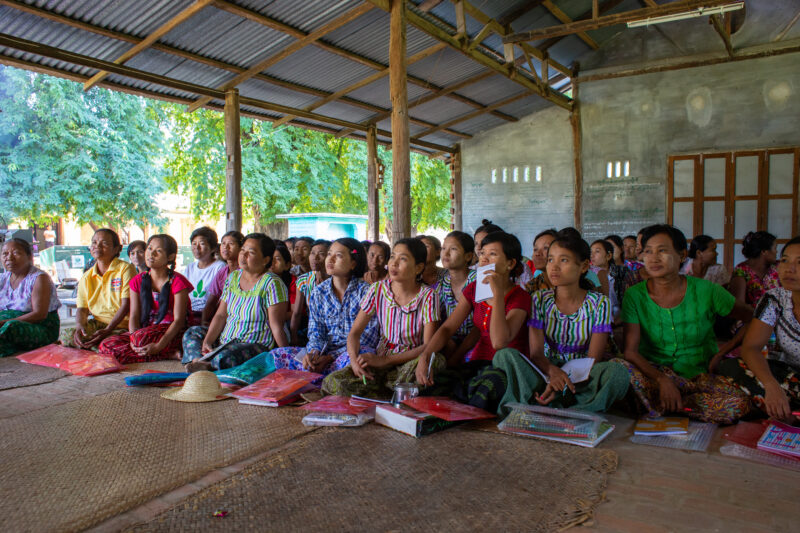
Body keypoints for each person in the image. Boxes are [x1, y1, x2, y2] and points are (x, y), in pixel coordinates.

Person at [618, 224, 752, 424]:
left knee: (739, 403)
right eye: (647, 251)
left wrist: (723, 352)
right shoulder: (634, 295)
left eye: (662, 250)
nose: (653, 258)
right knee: (617, 368)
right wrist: (662, 379)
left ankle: (668, 405)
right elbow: (630, 352)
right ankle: (677, 404)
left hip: (697, 377)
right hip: (653, 375)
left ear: (681, 255)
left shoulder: (707, 290)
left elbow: (756, 318)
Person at [489, 232, 629, 414]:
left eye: (563, 260)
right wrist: (552, 373)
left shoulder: (599, 303)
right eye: (550, 260)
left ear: (584, 266)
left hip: (583, 376)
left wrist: (563, 382)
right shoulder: (539, 299)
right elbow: (537, 353)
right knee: (504, 356)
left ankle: (576, 411)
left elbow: (592, 359)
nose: (554, 267)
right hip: (545, 369)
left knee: (617, 373)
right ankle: (538, 407)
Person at [416, 232, 531, 412]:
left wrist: (498, 295)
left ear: (510, 263)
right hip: (478, 363)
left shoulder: (520, 297)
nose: (484, 259)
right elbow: (447, 328)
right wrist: (426, 356)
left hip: (505, 368)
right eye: (483, 253)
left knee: (487, 386)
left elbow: (499, 342)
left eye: (492, 254)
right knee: (436, 385)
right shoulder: (474, 289)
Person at [322, 238, 440, 398]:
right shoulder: (377, 289)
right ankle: (388, 391)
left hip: (410, 359)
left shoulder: (428, 296)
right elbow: (354, 333)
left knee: (431, 365)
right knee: (334, 382)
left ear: (418, 267)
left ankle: (384, 391)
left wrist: (386, 360)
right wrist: (355, 362)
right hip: (380, 358)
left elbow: (428, 345)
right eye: (392, 256)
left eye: (403, 259)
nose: (394, 263)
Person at [267, 239, 379, 376]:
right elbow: (316, 332)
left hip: (353, 352)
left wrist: (331, 357)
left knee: (357, 360)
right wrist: (314, 353)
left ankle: (319, 378)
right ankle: (318, 374)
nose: (330, 259)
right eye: (329, 254)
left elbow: (369, 336)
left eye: (338, 256)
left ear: (353, 263)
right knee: (277, 355)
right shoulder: (319, 292)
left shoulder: (366, 292)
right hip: (324, 352)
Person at [719, 237, 800, 422]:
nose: (789, 268)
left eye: (799, 262)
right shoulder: (774, 299)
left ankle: (781, 411)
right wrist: (771, 386)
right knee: (732, 366)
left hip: (792, 385)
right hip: (788, 376)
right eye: (785, 260)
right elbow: (751, 347)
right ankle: (784, 409)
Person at [182, 234, 289, 371]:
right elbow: (221, 315)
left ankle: (209, 366)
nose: (243, 255)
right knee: (192, 332)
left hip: (254, 344)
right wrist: (207, 341)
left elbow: (276, 325)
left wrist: (285, 355)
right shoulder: (233, 277)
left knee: (227, 356)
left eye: (251, 252)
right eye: (243, 250)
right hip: (226, 340)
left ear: (265, 260)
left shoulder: (272, 283)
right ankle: (198, 361)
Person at [99, 235, 192, 363]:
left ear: (170, 257)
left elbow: (179, 321)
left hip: (172, 333)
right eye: (149, 248)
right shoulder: (137, 281)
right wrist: (133, 340)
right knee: (106, 345)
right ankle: (167, 354)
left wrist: (160, 345)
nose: (151, 254)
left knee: (140, 340)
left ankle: (161, 350)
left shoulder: (178, 281)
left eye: (158, 251)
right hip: (145, 332)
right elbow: (134, 315)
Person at [60, 228, 136, 349]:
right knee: (67, 336)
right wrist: (80, 326)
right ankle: (96, 346)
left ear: (116, 249)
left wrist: (108, 330)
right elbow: (82, 308)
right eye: (94, 243)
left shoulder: (125, 269)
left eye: (104, 243)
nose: (97, 246)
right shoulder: (87, 276)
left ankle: (98, 346)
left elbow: (126, 305)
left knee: (110, 344)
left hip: (121, 326)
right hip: (98, 324)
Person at [0, 238, 61, 356]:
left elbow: (39, 315)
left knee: (11, 327)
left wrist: (4, 322)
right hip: (5, 322)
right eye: (5, 254)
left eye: (16, 253)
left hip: (39, 327)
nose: (9, 257)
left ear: (29, 257)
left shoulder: (39, 278)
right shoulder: (3, 278)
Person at [436, 231, 479, 365]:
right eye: (443, 248)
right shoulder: (443, 283)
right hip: (452, 339)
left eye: (453, 249)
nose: (446, 254)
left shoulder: (478, 280)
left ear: (468, 256)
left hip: (476, 338)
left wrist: (456, 356)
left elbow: (479, 327)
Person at [290, 239, 331, 345]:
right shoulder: (304, 280)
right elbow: (297, 313)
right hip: (314, 331)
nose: (315, 258)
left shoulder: (337, 281)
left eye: (321, 254)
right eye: (312, 253)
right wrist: (293, 337)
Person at [200, 231, 244, 326]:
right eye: (223, 243)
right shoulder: (222, 272)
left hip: (237, 321)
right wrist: (204, 322)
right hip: (219, 319)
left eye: (231, 244)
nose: (225, 247)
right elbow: (211, 302)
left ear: (241, 248)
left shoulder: (245, 272)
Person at [183, 227, 226, 322]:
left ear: (213, 248)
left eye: (202, 244)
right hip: (189, 315)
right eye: (194, 243)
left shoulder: (220, 267)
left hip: (209, 316)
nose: (197, 247)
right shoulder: (189, 267)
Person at [729, 231, 779, 308]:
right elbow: (739, 307)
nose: (776, 252)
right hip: (752, 317)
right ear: (764, 251)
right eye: (775, 248)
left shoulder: (778, 267)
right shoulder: (741, 271)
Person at [591, 239, 620, 318]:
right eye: (591, 252)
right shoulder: (589, 276)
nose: (592, 255)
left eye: (597, 251)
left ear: (608, 256)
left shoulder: (620, 273)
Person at [523, 229, 558, 293]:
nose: (537, 253)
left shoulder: (570, 283)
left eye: (546, 248)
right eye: (535, 249)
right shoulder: (531, 287)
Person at [272, 243, 296, 327]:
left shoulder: (293, 282)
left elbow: (294, 312)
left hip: (287, 321)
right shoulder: (262, 280)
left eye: (277, 259)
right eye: (270, 258)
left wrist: (270, 317)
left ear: (287, 265)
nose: (272, 262)